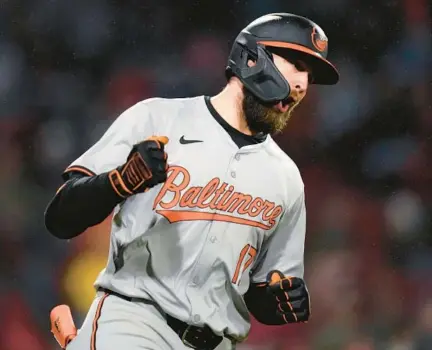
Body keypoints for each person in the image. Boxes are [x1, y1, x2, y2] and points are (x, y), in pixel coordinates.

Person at [45, 12, 339, 350]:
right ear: (252, 57)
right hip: (134, 323)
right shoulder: (158, 118)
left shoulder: (286, 178)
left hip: (217, 342)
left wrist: (280, 302)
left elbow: (259, 295)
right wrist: (118, 183)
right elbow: (60, 218)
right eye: (296, 63)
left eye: (309, 74)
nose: (302, 84)